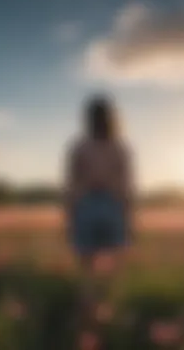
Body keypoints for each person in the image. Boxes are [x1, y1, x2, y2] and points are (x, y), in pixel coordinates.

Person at [64, 92, 134, 324]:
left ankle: (92, 304)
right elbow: (126, 186)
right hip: (108, 204)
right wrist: (129, 215)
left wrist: (70, 215)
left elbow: (71, 184)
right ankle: (106, 305)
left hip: (89, 204)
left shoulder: (80, 147)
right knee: (111, 258)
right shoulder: (119, 147)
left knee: (89, 262)